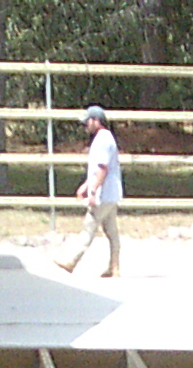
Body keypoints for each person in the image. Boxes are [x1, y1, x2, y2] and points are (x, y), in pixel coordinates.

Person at [58, 105, 123, 277]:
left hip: (104, 194)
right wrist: (86, 185)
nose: (86, 124)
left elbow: (102, 169)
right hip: (111, 194)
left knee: (89, 226)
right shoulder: (105, 138)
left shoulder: (102, 140)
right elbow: (97, 169)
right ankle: (114, 267)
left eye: (88, 121)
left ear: (96, 121)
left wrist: (92, 191)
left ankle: (71, 261)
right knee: (111, 232)